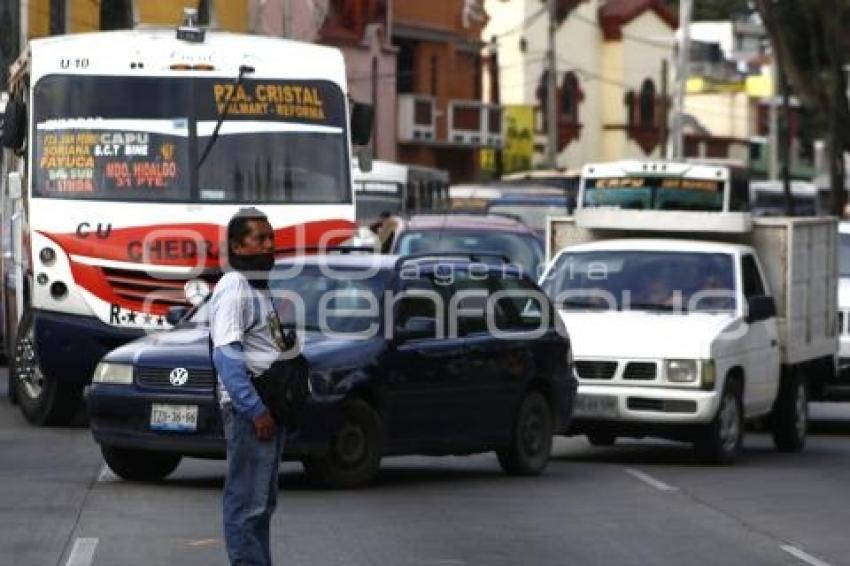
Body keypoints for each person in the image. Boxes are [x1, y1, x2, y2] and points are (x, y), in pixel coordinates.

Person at [210, 207, 288, 566]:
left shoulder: (258, 288)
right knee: (246, 506)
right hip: (249, 415)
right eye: (260, 239)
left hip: (267, 411)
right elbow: (226, 356)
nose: (270, 245)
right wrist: (254, 409)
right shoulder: (234, 287)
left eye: (271, 237)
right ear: (238, 247)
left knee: (261, 506)